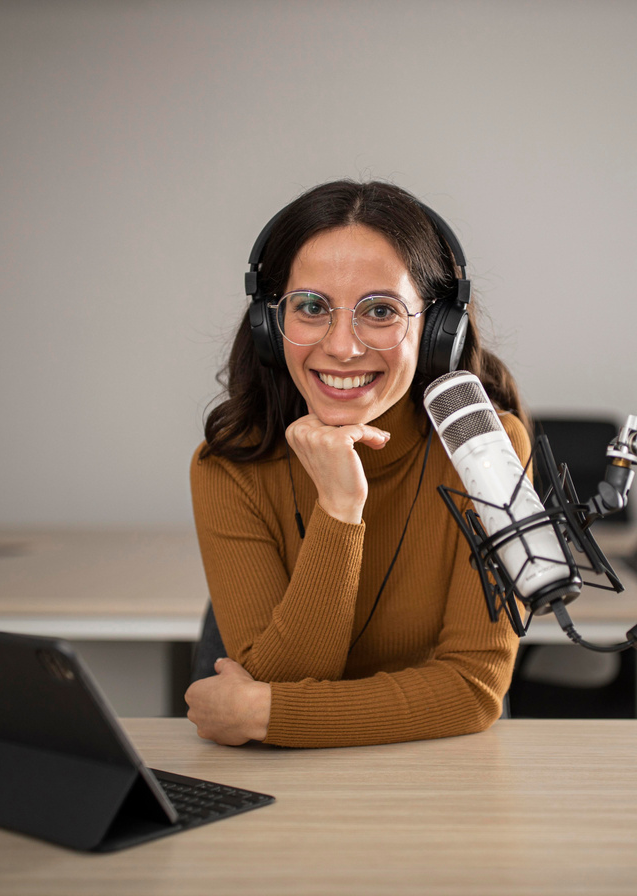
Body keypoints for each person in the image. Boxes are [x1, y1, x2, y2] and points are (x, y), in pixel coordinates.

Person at [185, 180, 531, 748]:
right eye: (312, 307)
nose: (342, 346)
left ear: (439, 328)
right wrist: (339, 509)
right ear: (271, 325)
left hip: (433, 775)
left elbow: (471, 690)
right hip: (275, 789)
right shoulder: (229, 467)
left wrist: (268, 715)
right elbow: (280, 681)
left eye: (380, 311)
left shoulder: (486, 451)